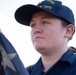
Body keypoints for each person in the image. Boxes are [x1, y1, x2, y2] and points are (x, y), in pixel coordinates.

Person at [15, 0, 76, 75]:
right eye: (33, 25)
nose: (36, 30)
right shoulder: (25, 73)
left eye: (45, 22)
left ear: (68, 31)